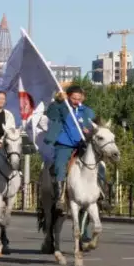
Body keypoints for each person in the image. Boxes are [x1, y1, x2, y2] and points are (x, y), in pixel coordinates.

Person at [43, 85, 96, 213]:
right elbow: (50, 113)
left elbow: (94, 127)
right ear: (68, 96)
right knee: (59, 166)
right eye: (73, 98)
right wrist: (59, 101)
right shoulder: (61, 108)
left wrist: (89, 132)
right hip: (64, 144)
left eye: (79, 98)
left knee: (97, 164)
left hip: (82, 145)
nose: (76, 101)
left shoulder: (87, 111)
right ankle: (59, 198)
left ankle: (101, 195)